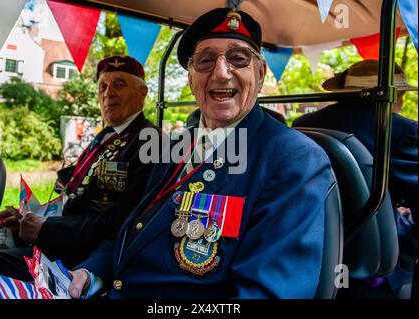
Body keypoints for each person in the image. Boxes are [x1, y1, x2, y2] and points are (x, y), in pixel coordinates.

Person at [69, 7, 332, 299]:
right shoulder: (175, 146)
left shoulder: (295, 159)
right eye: (206, 61)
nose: (221, 73)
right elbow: (136, 230)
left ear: (259, 74)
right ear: (192, 80)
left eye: (238, 59)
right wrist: (90, 273)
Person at [0, 55, 160, 298]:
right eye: (102, 86)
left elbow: (120, 222)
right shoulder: (105, 137)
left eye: (119, 84)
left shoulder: (149, 142)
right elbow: (76, 195)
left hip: (82, 258)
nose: (108, 93)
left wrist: (47, 228)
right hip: (61, 241)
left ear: (143, 92)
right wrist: (25, 218)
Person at [292, 59, 418, 298]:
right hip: (376, 264)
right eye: (401, 95)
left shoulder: (303, 124)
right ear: (394, 96)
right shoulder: (401, 130)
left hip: (316, 248)